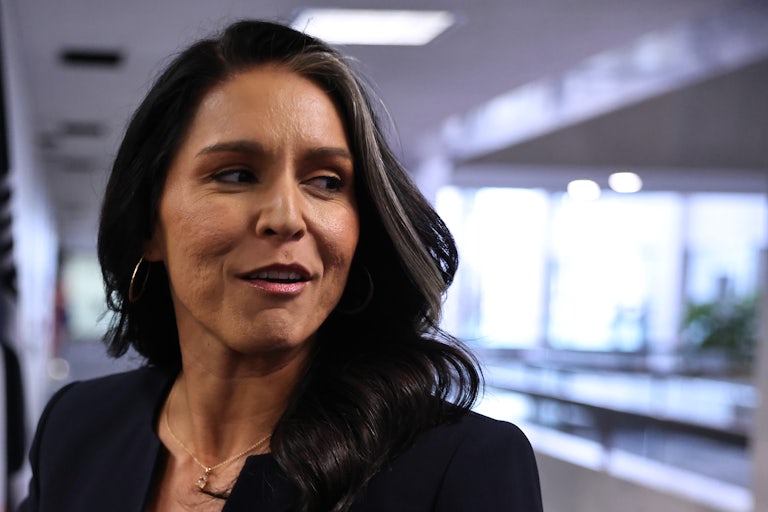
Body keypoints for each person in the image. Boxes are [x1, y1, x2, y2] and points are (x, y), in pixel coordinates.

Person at [19, 20, 543, 512]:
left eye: (326, 182)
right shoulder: (76, 426)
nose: (287, 219)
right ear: (149, 225)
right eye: (236, 174)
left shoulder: (460, 465)